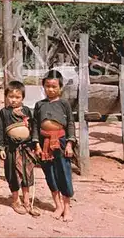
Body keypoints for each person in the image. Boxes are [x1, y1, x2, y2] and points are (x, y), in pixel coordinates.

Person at [33, 70, 76, 222]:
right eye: (47, 86)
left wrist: (70, 144)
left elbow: (70, 123)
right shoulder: (39, 105)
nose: (50, 89)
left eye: (54, 87)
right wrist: (37, 145)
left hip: (61, 142)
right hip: (44, 144)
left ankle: (67, 208)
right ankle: (57, 206)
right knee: (50, 174)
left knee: (64, 173)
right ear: (43, 86)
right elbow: (35, 126)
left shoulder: (64, 104)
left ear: (60, 87)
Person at [0, 81, 40, 216]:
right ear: (6, 96)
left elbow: (33, 128)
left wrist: (35, 144)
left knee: (27, 174)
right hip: (11, 148)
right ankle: (15, 200)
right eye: (10, 96)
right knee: (13, 175)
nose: (13, 100)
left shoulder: (27, 111)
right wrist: (0, 147)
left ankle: (27, 201)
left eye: (17, 97)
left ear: (23, 98)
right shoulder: (4, 112)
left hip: (26, 148)